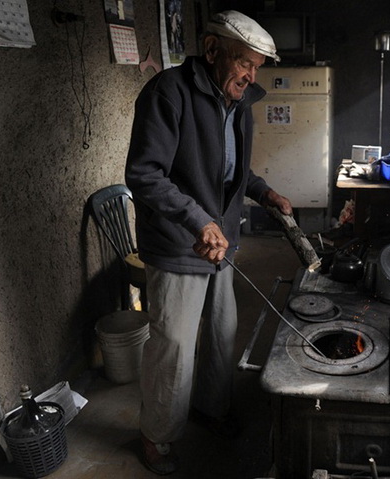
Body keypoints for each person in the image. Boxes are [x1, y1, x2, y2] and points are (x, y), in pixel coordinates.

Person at [124, 10, 292, 475]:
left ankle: (209, 409)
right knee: (174, 345)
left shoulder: (239, 101)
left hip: (223, 241)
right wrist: (198, 221)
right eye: (244, 63)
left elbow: (232, 171)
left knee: (221, 334)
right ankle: (156, 434)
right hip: (180, 242)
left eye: (257, 66)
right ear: (213, 50)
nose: (250, 75)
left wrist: (264, 193)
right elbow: (144, 174)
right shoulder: (168, 93)